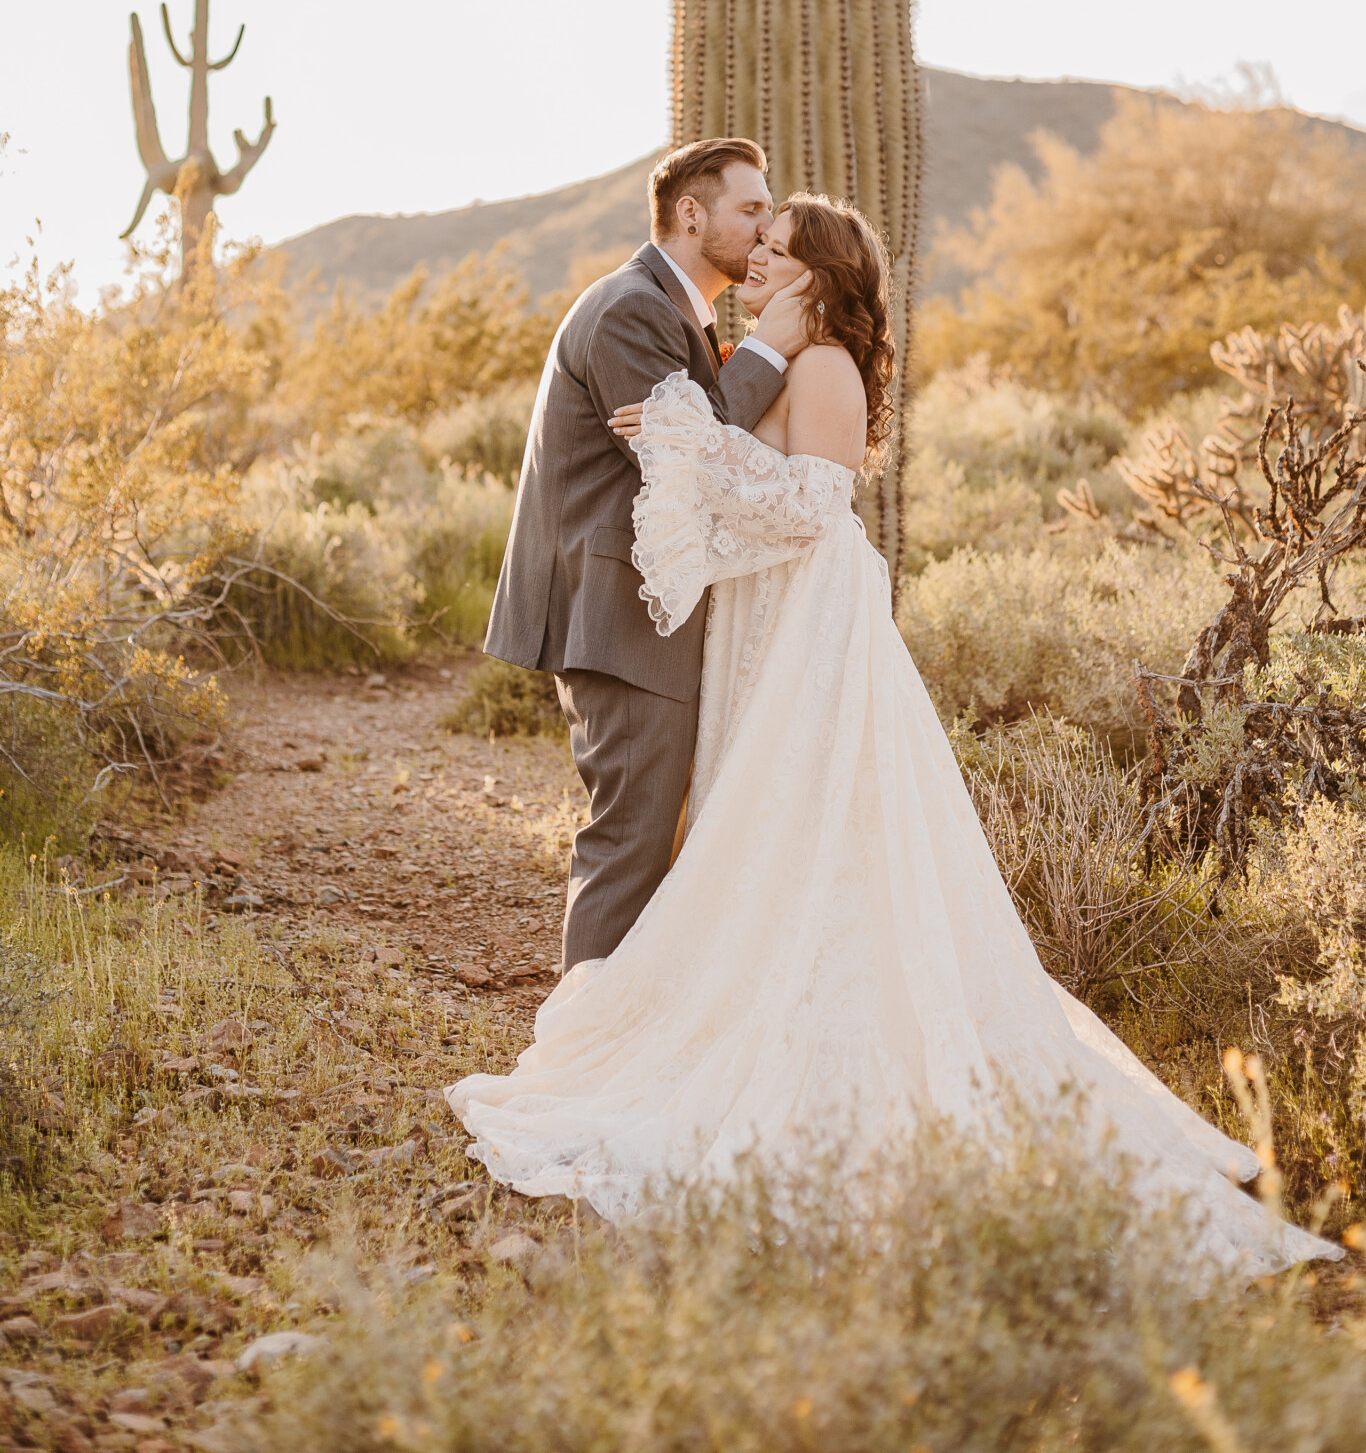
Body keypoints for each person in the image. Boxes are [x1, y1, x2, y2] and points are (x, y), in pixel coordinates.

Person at [451, 193, 1338, 1273]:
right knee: (755, 828)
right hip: (761, 619)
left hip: (809, 621)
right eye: (756, 248)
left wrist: (692, 438)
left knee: (813, 820)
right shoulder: (781, 354)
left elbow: (815, 504)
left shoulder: (822, 364)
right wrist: (701, 437)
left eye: (777, 254)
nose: (759, 267)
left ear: (822, 276)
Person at [483, 137, 812, 973]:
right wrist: (770, 348)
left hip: (640, 616)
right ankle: (577, 1063)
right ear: (691, 213)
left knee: (650, 844)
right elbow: (686, 467)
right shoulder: (633, 309)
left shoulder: (675, 316)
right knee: (629, 848)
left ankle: (614, 1047)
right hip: (619, 619)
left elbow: (696, 432)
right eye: (750, 209)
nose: (766, 225)